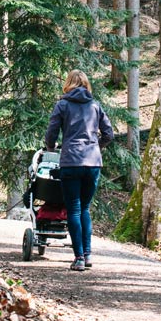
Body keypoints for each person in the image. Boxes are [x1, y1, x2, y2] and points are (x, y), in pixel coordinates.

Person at [44, 70, 113, 271]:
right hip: (93, 163)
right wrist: (95, 147)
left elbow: (51, 132)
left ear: (68, 84)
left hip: (71, 161)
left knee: (73, 208)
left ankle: (79, 258)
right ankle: (88, 255)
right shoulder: (95, 106)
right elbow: (108, 134)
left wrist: (51, 147)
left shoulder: (62, 105)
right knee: (84, 208)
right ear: (86, 84)